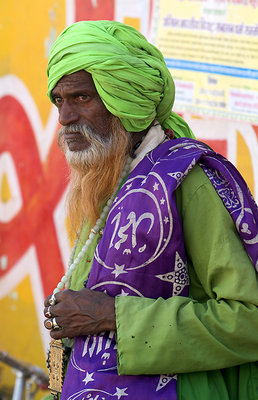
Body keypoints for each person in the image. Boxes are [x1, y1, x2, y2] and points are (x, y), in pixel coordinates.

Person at [43, 20, 258, 400]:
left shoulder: (187, 181)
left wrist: (114, 316)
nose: (64, 119)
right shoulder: (111, 181)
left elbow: (249, 318)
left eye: (81, 98)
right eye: (59, 100)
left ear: (125, 99)